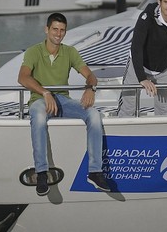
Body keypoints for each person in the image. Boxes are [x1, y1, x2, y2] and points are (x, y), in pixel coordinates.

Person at [18, 12, 110, 196]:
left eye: (62, 30)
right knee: (39, 117)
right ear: (46, 30)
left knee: (93, 114)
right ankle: (42, 172)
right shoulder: (34, 51)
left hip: (63, 101)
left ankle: (95, 171)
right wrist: (45, 93)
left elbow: (90, 75)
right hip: (40, 100)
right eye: (55, 29)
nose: (58, 34)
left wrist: (90, 88)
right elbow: (22, 77)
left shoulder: (70, 52)